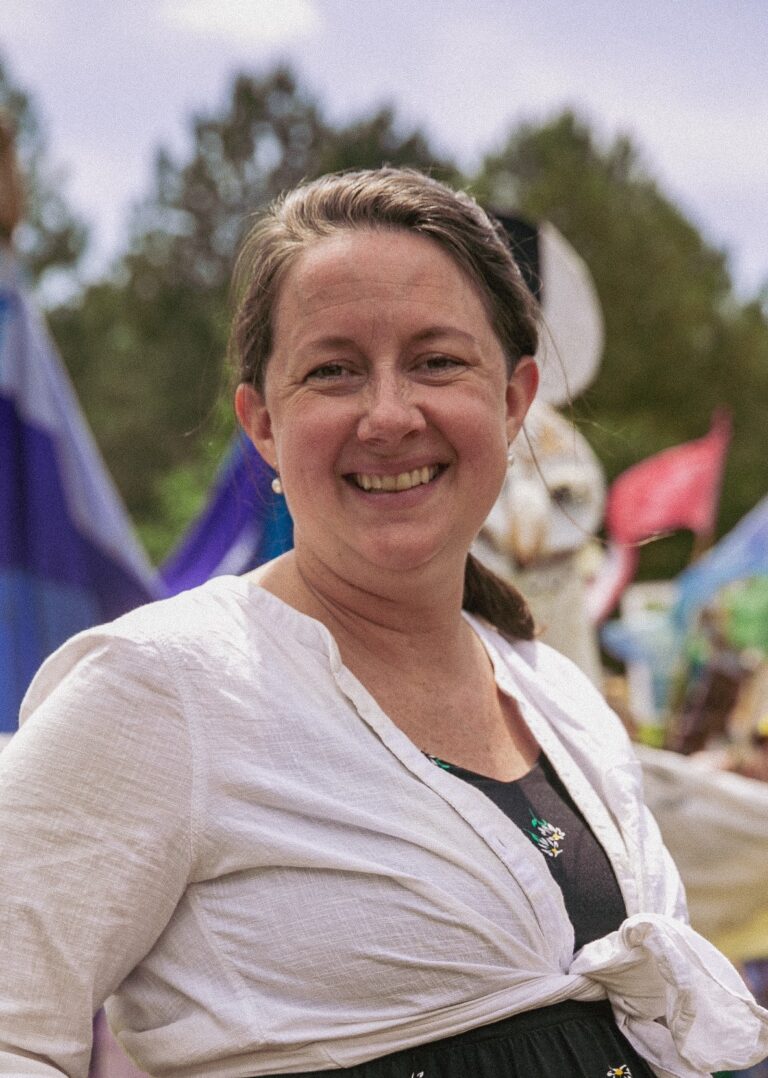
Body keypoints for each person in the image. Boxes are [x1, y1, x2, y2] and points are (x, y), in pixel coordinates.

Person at [0, 167, 766, 1078]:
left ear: (515, 400)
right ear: (264, 424)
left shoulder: (559, 696)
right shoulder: (160, 687)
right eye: (334, 371)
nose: (391, 414)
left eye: (438, 361)